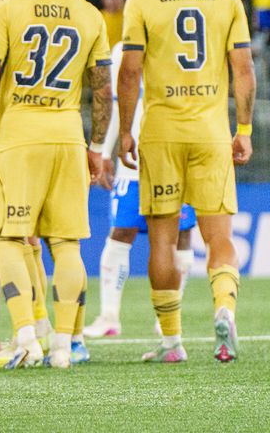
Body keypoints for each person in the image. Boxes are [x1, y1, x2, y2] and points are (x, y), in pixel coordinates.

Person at [0, 0, 112, 370]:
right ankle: (64, 346)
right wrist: (96, 145)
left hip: (19, 135)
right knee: (67, 244)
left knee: (11, 238)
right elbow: (103, 89)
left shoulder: (8, 10)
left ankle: (28, 337)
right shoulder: (89, 14)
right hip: (69, 136)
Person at [117, 0, 255, 363]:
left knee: (161, 239)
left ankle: (172, 343)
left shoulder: (141, 0)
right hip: (211, 132)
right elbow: (244, 71)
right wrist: (245, 130)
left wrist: (123, 131)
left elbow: (130, 72)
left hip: (161, 133)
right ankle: (224, 309)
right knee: (219, 235)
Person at [83, 40, 198, 339]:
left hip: (175, 157)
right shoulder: (123, 48)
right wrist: (105, 151)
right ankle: (109, 316)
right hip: (131, 161)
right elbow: (114, 102)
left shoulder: (183, 45)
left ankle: (170, 315)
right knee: (120, 232)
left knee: (181, 234)